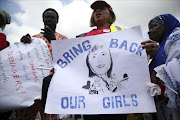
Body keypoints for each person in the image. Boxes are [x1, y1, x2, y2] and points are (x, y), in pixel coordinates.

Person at [76, 1, 128, 120]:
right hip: (92, 99)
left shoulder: (124, 33)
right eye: (95, 10)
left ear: (111, 15)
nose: (97, 11)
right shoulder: (82, 37)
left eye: (102, 8)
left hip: (118, 99)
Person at [18, 8, 67, 120]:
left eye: (52, 17)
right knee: (25, 116)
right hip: (31, 86)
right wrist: (22, 45)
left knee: (50, 117)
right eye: (46, 17)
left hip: (51, 87)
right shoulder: (33, 39)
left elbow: (67, 61)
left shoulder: (64, 39)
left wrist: (53, 41)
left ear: (57, 20)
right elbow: (23, 59)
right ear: (43, 20)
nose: (49, 19)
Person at [142, 14, 180, 120]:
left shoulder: (176, 36)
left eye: (154, 26)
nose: (149, 31)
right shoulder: (161, 50)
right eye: (148, 29)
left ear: (167, 25)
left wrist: (161, 73)